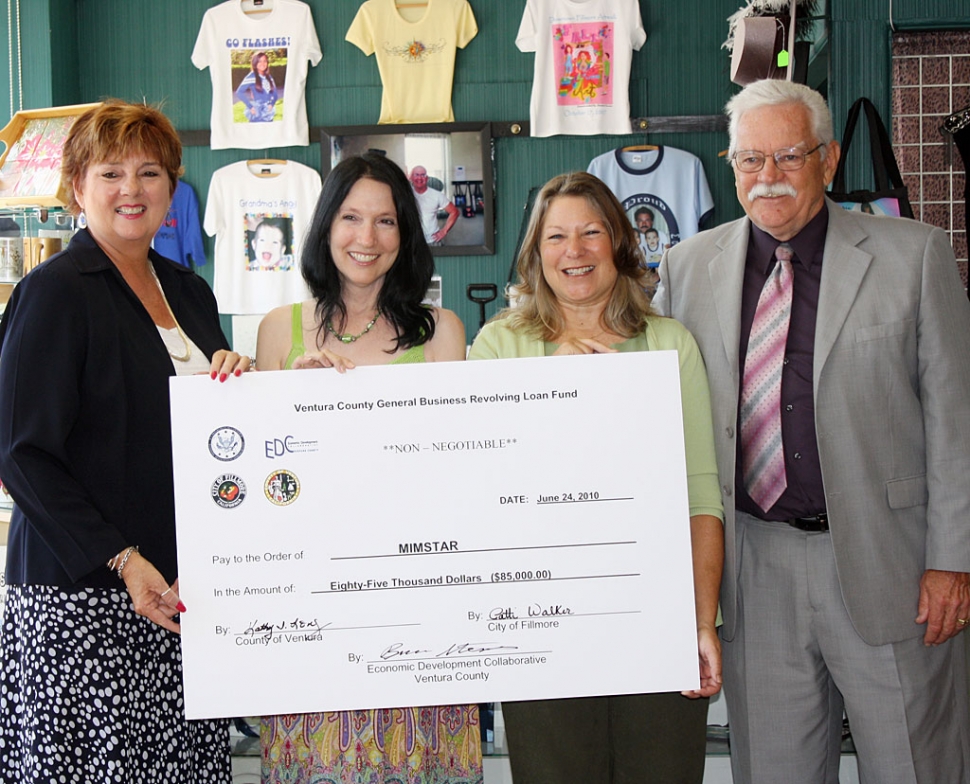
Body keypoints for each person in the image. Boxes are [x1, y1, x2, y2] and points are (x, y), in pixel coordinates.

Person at [654, 79, 970, 784]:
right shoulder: (686, 266)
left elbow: (957, 418)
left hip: (893, 567)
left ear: (827, 160)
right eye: (748, 160)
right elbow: (650, 399)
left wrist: (954, 558)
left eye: (788, 157)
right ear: (728, 166)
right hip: (753, 569)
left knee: (916, 768)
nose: (766, 178)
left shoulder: (914, 255)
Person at [0, 100, 250, 783]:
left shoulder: (190, 292)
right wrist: (123, 560)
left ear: (173, 190)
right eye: (110, 173)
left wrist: (237, 379)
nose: (131, 190)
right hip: (84, 600)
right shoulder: (54, 292)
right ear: (77, 186)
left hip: (180, 593)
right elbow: (20, 452)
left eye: (150, 173)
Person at [468, 171, 724, 784]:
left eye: (591, 233)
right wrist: (551, 389)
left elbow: (700, 494)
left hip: (652, 621)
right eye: (556, 237)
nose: (574, 251)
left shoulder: (669, 343)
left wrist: (701, 622)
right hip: (539, 624)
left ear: (619, 245)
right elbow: (478, 490)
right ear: (536, 254)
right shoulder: (498, 346)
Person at [256, 153, 479, 784]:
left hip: (419, 614)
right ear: (326, 228)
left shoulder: (441, 332)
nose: (367, 238)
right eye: (351, 218)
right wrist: (290, 412)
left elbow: (456, 476)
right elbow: (266, 492)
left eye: (386, 221)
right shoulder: (280, 331)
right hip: (311, 613)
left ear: (405, 235)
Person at [409, 165, 459, 245]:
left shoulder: (437, 195)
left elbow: (454, 212)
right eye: (416, 175)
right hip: (411, 242)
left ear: (427, 178)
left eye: (423, 175)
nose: (419, 178)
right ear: (411, 177)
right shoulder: (405, 194)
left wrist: (444, 231)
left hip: (432, 242)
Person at [235, 50, 279, 123]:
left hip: (268, 112)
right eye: (259, 61)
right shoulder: (251, 76)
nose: (262, 63)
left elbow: (275, 95)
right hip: (257, 112)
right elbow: (239, 92)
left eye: (265, 61)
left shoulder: (269, 77)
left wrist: (271, 104)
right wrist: (250, 107)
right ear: (255, 63)